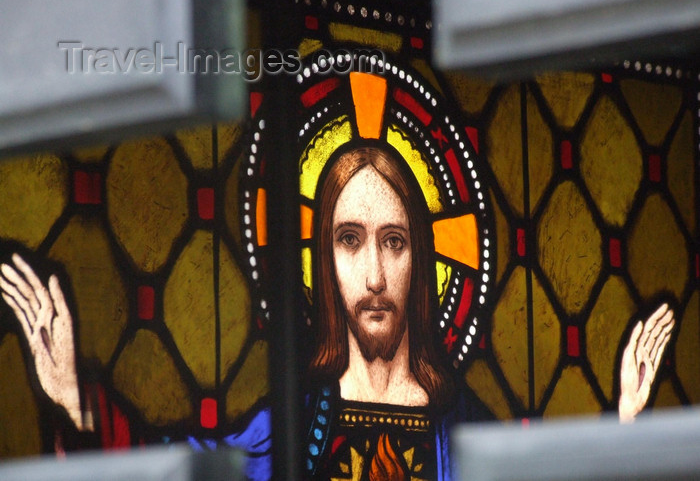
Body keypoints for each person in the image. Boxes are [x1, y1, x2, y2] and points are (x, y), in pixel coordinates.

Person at [0, 145, 676, 480]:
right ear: (324, 262)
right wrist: (74, 400)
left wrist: (624, 425)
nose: (375, 274)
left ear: (422, 260)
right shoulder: (297, 422)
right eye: (350, 240)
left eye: (395, 241)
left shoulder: (458, 423)